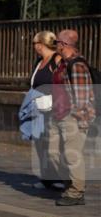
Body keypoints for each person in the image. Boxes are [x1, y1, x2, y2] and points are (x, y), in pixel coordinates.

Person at [51, 29, 95, 206]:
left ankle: (76, 191)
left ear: (63, 44)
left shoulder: (76, 65)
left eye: (56, 43)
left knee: (72, 155)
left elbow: (82, 98)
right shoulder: (64, 63)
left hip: (73, 117)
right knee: (54, 153)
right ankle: (69, 185)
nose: (55, 46)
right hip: (60, 114)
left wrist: (76, 118)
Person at [28, 31, 64, 190]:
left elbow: (61, 84)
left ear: (41, 44)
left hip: (52, 108)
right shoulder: (39, 62)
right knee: (40, 143)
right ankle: (47, 178)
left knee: (53, 145)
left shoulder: (56, 60)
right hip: (37, 108)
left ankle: (62, 178)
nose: (34, 47)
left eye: (34, 44)